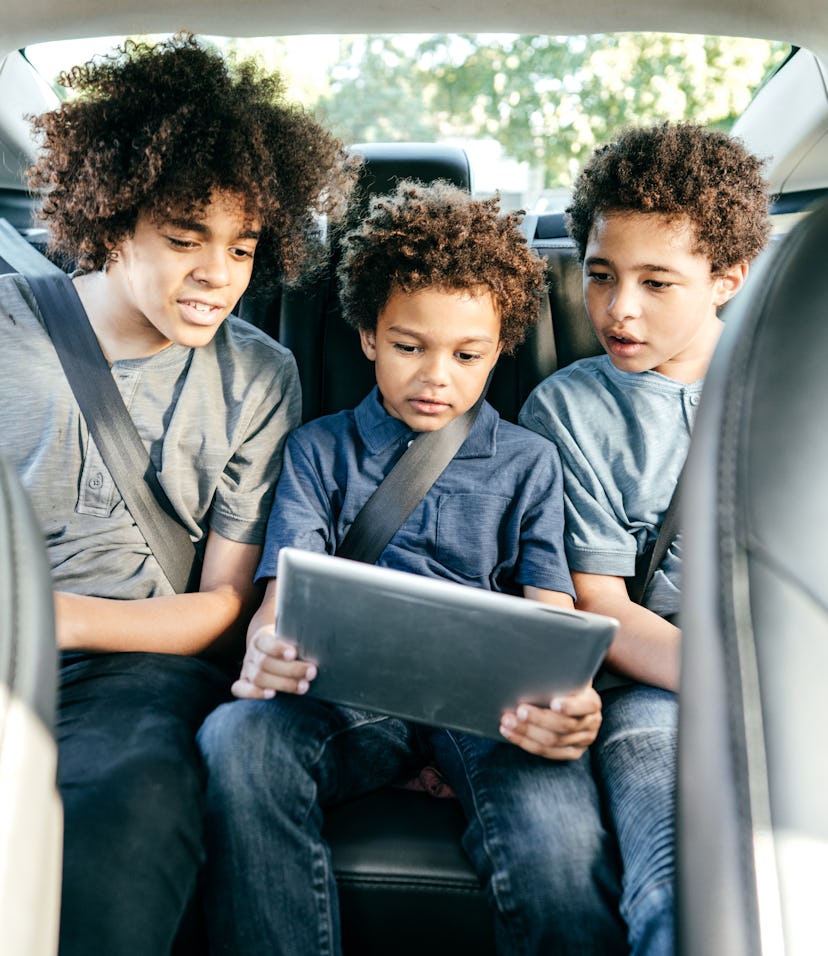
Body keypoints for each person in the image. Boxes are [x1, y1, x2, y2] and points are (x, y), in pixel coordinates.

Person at [197, 179, 628, 955]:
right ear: (367, 335)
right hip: (349, 701)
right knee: (238, 741)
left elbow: (551, 608)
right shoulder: (317, 450)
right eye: (408, 347)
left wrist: (570, 700)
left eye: (469, 354)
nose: (438, 377)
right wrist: (267, 649)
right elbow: (280, 595)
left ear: (501, 347)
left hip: (492, 712)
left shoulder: (530, 462)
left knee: (559, 849)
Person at [0, 32, 355, 956]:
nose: (217, 276)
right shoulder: (6, 331)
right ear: (113, 221)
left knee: (126, 814)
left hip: (130, 671)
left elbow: (220, 608)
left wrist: (47, 620)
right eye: (184, 238)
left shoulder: (260, 377)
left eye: (241, 248)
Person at [519, 122, 772, 954]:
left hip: (791, 679)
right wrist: (746, 699)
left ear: (727, 279)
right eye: (600, 276)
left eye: (657, 282)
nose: (619, 308)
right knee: (682, 883)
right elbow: (602, 607)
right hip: (654, 695)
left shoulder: (792, 381)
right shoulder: (568, 411)